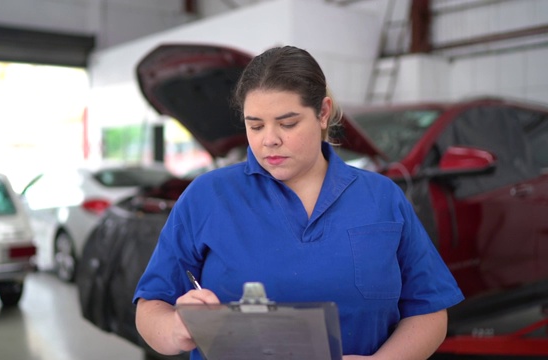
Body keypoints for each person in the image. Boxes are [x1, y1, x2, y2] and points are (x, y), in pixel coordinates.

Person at [133, 45, 464, 359]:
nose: (270, 140)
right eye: (255, 125)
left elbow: (429, 310)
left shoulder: (382, 198)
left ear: (322, 113)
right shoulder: (208, 196)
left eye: (287, 123)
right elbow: (150, 307)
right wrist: (176, 328)